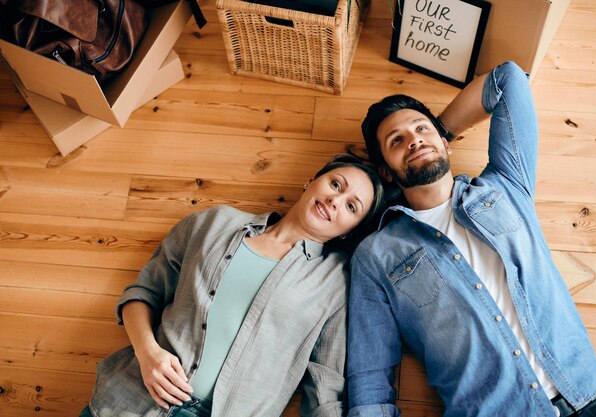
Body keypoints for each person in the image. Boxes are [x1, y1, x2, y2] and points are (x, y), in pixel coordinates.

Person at [347, 62, 596, 417]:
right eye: (397, 140)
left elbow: (508, 79)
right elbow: (369, 374)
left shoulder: (507, 185)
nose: (414, 139)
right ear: (386, 171)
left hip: (592, 401)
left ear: (446, 146)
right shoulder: (376, 255)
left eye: (421, 129)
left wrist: (440, 130)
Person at [80, 154, 385, 417]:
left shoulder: (335, 281)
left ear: (350, 230)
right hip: (131, 399)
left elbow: (325, 384)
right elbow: (144, 292)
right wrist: (149, 354)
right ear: (311, 181)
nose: (335, 200)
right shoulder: (214, 222)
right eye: (335, 185)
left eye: (351, 207)